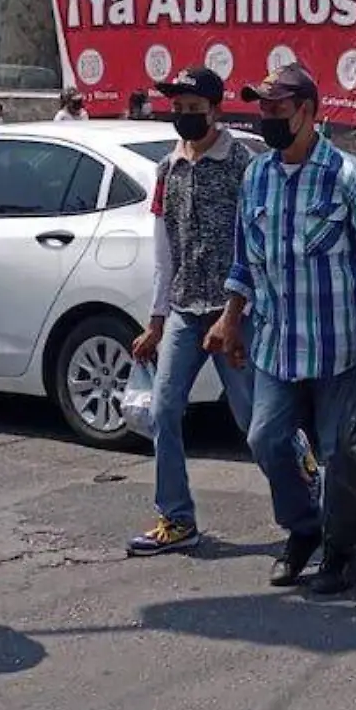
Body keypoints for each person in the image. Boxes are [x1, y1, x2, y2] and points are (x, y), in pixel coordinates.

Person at [206, 65, 356, 594]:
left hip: (339, 347)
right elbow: (245, 262)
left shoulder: (349, 178)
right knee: (266, 439)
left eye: (277, 110)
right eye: (262, 109)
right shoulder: (257, 176)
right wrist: (230, 320)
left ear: (310, 113)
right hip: (276, 344)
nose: (266, 119)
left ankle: (343, 551)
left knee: (337, 452)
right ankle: (303, 529)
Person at [127, 68, 260, 555]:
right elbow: (164, 252)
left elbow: (254, 243)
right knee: (163, 411)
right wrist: (157, 321)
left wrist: (239, 312)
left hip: (232, 312)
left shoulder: (240, 165)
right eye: (177, 108)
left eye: (192, 108)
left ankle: (311, 493)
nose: (182, 117)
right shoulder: (168, 170)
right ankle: (177, 518)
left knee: (254, 421)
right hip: (185, 310)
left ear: (215, 110)